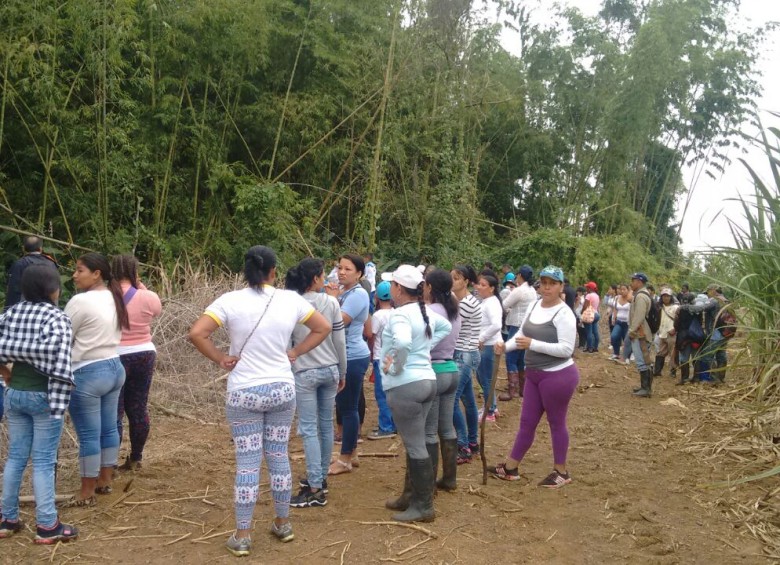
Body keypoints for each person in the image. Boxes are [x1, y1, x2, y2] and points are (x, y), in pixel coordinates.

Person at [189, 245, 330, 557]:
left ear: (246, 270)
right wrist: (294, 352)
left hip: (244, 393)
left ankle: (242, 535)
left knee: (248, 462)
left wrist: (221, 358)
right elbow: (323, 327)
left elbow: (197, 333)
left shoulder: (229, 301)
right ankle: (282, 524)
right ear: (274, 272)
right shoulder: (291, 299)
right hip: (281, 389)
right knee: (278, 455)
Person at [0, 265, 79, 544]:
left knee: (16, 457)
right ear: (53, 290)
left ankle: (7, 519)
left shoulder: (10, 313)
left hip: (15, 393)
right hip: (45, 396)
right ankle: (47, 525)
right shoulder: (56, 317)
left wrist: (5, 369)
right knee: (44, 461)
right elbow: (56, 353)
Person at [491, 265, 579, 488]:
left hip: (558, 376)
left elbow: (566, 349)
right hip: (534, 375)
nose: (547, 288)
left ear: (561, 286)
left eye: (553, 284)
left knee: (556, 423)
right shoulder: (533, 305)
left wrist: (534, 344)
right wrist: (505, 346)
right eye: (544, 283)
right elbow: (521, 335)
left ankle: (561, 471)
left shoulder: (564, 313)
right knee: (527, 422)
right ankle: (511, 467)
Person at [382, 265, 451, 522]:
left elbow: (401, 343)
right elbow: (444, 327)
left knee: (415, 445)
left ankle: (423, 506)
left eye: (392, 285)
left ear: (398, 288)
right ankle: (410, 497)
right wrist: (424, 349)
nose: (390, 288)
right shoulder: (425, 312)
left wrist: (397, 365)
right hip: (427, 381)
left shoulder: (400, 316)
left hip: (406, 386)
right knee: (417, 442)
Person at [64, 253, 128, 506]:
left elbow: (64, 337)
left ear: (96, 273)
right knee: (109, 428)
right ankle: (105, 480)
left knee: (89, 435)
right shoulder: (115, 296)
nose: (74, 275)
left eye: (79, 270)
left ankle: (86, 491)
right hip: (114, 366)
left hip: (87, 371)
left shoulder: (80, 301)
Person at [285, 258, 347, 508]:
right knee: (325, 425)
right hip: (330, 370)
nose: (327, 279)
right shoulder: (331, 302)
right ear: (315, 279)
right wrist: (342, 371)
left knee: (309, 429)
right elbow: (339, 341)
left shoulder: (291, 304)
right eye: (323, 275)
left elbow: (287, 342)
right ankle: (319, 478)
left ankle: (315, 487)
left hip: (305, 372)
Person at [111, 255, 162, 471]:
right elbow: (157, 311)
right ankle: (136, 458)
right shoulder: (147, 296)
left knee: (115, 410)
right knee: (138, 408)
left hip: (116, 354)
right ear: (134, 271)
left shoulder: (107, 296)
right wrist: (138, 284)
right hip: (144, 353)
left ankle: (109, 464)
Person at [326, 254, 371, 475]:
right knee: (345, 406)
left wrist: (332, 300)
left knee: (349, 408)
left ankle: (344, 460)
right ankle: (351, 453)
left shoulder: (359, 294)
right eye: (339, 267)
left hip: (352, 356)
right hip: (344, 355)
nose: (342, 272)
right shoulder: (344, 292)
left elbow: (339, 321)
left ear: (359, 274)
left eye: (348, 269)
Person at [423, 269, 461, 492]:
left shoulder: (429, 311)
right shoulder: (454, 309)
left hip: (434, 371)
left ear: (429, 287)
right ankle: (449, 478)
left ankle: (428, 483)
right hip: (451, 369)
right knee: (447, 428)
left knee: (429, 431)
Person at [450, 265, 482, 464]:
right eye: (451, 277)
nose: (452, 281)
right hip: (466, 353)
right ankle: (472, 442)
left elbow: (451, 325)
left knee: (452, 400)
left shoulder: (466, 304)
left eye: (456, 278)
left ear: (466, 282)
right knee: (468, 400)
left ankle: (462, 446)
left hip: (464, 354)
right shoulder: (462, 300)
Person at [680, 283, 730, 384]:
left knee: (707, 356)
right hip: (725, 333)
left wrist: (685, 307)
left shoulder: (715, 301)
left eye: (708, 291)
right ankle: (721, 378)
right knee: (721, 355)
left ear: (713, 290)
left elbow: (700, 308)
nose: (708, 294)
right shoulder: (726, 300)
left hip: (715, 332)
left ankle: (714, 379)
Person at [367, 281, 397, 440]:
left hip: (380, 356)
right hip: (392, 357)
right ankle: (394, 423)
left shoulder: (378, 316)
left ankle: (386, 427)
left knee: (381, 394)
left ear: (377, 296)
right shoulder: (396, 313)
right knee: (392, 392)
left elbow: (371, 334)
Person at [500, 265, 535, 400]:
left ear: (520, 275)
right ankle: (523, 389)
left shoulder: (519, 290)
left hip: (516, 325)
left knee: (510, 357)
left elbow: (504, 305)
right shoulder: (532, 290)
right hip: (527, 326)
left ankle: (512, 390)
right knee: (521, 358)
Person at [4, 235, 58, 312]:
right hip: (48, 309)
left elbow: (13, 289)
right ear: (40, 248)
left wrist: (8, 311)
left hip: (25, 310)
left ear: (23, 248)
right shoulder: (51, 264)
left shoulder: (20, 264)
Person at [475, 273, 503, 422]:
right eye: (479, 284)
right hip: (486, 344)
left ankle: (490, 411)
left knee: (486, 379)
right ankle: (490, 405)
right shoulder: (486, 301)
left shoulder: (492, 303)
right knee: (483, 377)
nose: (479, 287)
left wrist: (482, 338)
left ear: (492, 288)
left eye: (483, 285)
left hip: (489, 345)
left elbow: (496, 325)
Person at [627, 273, 654, 397]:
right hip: (641, 332)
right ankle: (645, 387)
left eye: (633, 281)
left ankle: (646, 388)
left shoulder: (641, 297)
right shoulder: (640, 295)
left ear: (639, 282)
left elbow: (639, 316)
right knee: (643, 359)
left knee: (642, 360)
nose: (631, 283)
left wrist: (632, 331)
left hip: (641, 333)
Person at [673, 292, 701, 385]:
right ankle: (696, 378)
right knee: (696, 357)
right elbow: (700, 322)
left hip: (683, 337)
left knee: (684, 358)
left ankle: (684, 378)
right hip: (696, 337)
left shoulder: (680, 310)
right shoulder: (698, 310)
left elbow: (676, 324)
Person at [653, 287, 678, 378]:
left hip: (672, 333)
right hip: (662, 332)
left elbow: (680, 321)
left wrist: (675, 329)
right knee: (660, 352)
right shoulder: (659, 307)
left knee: (673, 354)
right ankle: (657, 371)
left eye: (667, 296)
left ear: (671, 297)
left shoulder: (676, 307)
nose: (665, 298)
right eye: (664, 296)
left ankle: (673, 371)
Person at [609, 284, 631, 361]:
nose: (622, 291)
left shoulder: (631, 299)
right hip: (618, 321)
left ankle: (627, 356)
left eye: (624, 289)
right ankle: (616, 353)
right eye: (621, 289)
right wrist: (613, 318)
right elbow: (615, 308)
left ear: (628, 290)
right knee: (614, 336)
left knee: (627, 340)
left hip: (627, 323)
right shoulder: (617, 298)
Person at [583, 282, 601, 353]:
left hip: (590, 314)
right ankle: (595, 347)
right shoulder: (597, 295)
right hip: (596, 314)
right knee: (595, 332)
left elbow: (585, 306)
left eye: (587, 287)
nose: (586, 288)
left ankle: (589, 348)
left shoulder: (588, 295)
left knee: (589, 332)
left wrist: (582, 313)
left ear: (590, 288)